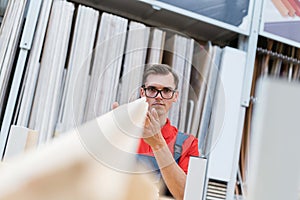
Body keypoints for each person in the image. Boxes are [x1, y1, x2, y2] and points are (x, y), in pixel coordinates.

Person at [113, 64, 199, 199]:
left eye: (166, 90)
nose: (159, 96)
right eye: (152, 89)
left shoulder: (187, 144)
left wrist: (158, 144)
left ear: (175, 96)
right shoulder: (123, 132)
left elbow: (186, 195)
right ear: (143, 93)